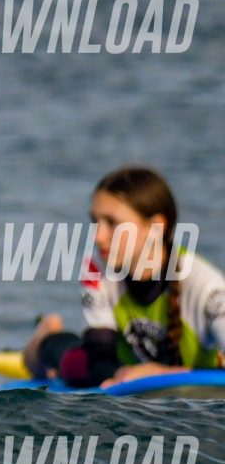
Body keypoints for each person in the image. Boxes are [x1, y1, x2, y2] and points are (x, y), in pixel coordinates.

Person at [22, 166, 224, 387]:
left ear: (155, 227)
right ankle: (45, 336)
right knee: (76, 366)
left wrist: (163, 374)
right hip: (117, 368)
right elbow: (99, 359)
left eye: (112, 223)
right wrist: (128, 374)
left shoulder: (208, 287)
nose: (98, 237)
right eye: (95, 222)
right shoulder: (96, 269)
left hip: (188, 383)